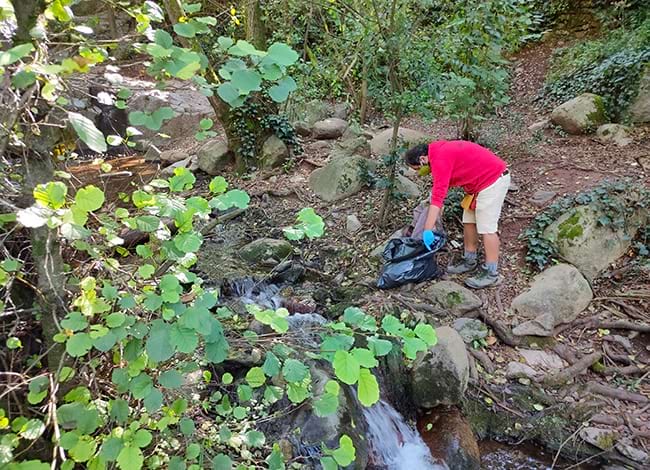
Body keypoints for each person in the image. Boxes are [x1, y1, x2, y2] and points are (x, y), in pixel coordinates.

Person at [404, 140, 511, 289]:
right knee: (468, 221)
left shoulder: (439, 158)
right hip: (477, 186)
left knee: (487, 228)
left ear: (422, 159)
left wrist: (427, 229)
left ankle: (492, 274)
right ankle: (469, 260)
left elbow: (438, 197)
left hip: (493, 180)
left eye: (417, 169)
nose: (418, 172)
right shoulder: (436, 152)